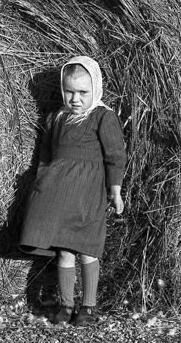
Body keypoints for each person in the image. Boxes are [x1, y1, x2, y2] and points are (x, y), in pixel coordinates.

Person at [20, 55, 126, 324]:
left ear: (96, 90)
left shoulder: (103, 116)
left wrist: (115, 190)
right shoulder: (57, 118)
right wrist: (42, 178)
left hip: (88, 195)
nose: (75, 98)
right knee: (65, 251)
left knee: (88, 249)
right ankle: (66, 306)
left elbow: (115, 155)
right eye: (69, 92)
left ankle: (88, 307)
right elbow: (45, 152)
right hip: (59, 192)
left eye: (82, 92)